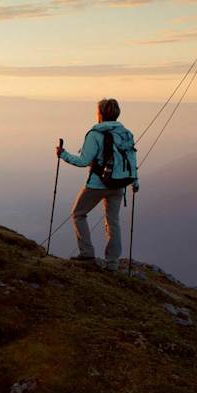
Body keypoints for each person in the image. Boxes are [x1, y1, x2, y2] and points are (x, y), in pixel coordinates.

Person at [56, 98, 139, 271]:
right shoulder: (126, 133)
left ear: (100, 113)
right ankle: (112, 264)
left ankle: (87, 253)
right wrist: (135, 181)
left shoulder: (95, 134)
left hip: (97, 184)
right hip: (118, 184)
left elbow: (83, 161)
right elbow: (131, 158)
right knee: (113, 222)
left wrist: (63, 154)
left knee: (78, 213)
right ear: (117, 114)